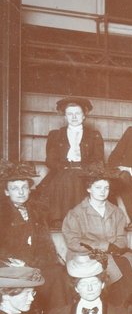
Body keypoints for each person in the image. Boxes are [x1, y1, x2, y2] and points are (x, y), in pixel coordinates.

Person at [62, 165, 132, 305]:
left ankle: (130, 307)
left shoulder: (116, 212)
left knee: (126, 263)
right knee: (119, 266)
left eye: (106, 188)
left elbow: (121, 238)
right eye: (98, 187)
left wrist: (116, 247)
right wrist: (104, 246)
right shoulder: (76, 213)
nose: (103, 192)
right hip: (84, 256)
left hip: (112, 254)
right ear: (88, 189)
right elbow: (72, 242)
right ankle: (121, 306)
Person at [0, 161, 66, 310]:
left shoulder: (37, 211)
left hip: (35, 261)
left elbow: (45, 244)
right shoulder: (2, 212)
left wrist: (42, 263)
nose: (21, 192)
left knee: (56, 274)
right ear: (6, 192)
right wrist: (13, 261)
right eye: (15, 189)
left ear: (30, 190)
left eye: (24, 187)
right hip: (9, 262)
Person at [36, 96, 106, 227]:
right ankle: (58, 219)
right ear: (65, 117)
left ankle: (75, 220)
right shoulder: (55, 135)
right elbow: (50, 160)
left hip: (85, 171)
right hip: (61, 170)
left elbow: (98, 159)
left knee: (75, 177)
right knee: (65, 177)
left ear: (84, 116)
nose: (74, 117)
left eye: (78, 113)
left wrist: (84, 168)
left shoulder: (94, 135)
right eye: (70, 114)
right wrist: (63, 167)